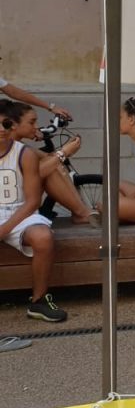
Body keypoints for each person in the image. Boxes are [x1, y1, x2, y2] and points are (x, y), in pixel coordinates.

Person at [0, 101, 65, 322]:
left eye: (6, 124)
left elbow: (32, 201)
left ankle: (38, 301)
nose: (2, 129)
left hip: (19, 213)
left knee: (43, 237)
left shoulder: (24, 153)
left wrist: (4, 229)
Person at [5, 99, 95, 225]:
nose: (36, 126)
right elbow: (35, 174)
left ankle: (80, 211)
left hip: (19, 199)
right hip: (9, 206)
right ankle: (81, 213)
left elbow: (50, 157)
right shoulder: (6, 145)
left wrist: (66, 151)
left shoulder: (19, 145)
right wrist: (63, 153)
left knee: (52, 163)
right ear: (14, 124)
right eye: (32, 122)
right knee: (50, 168)